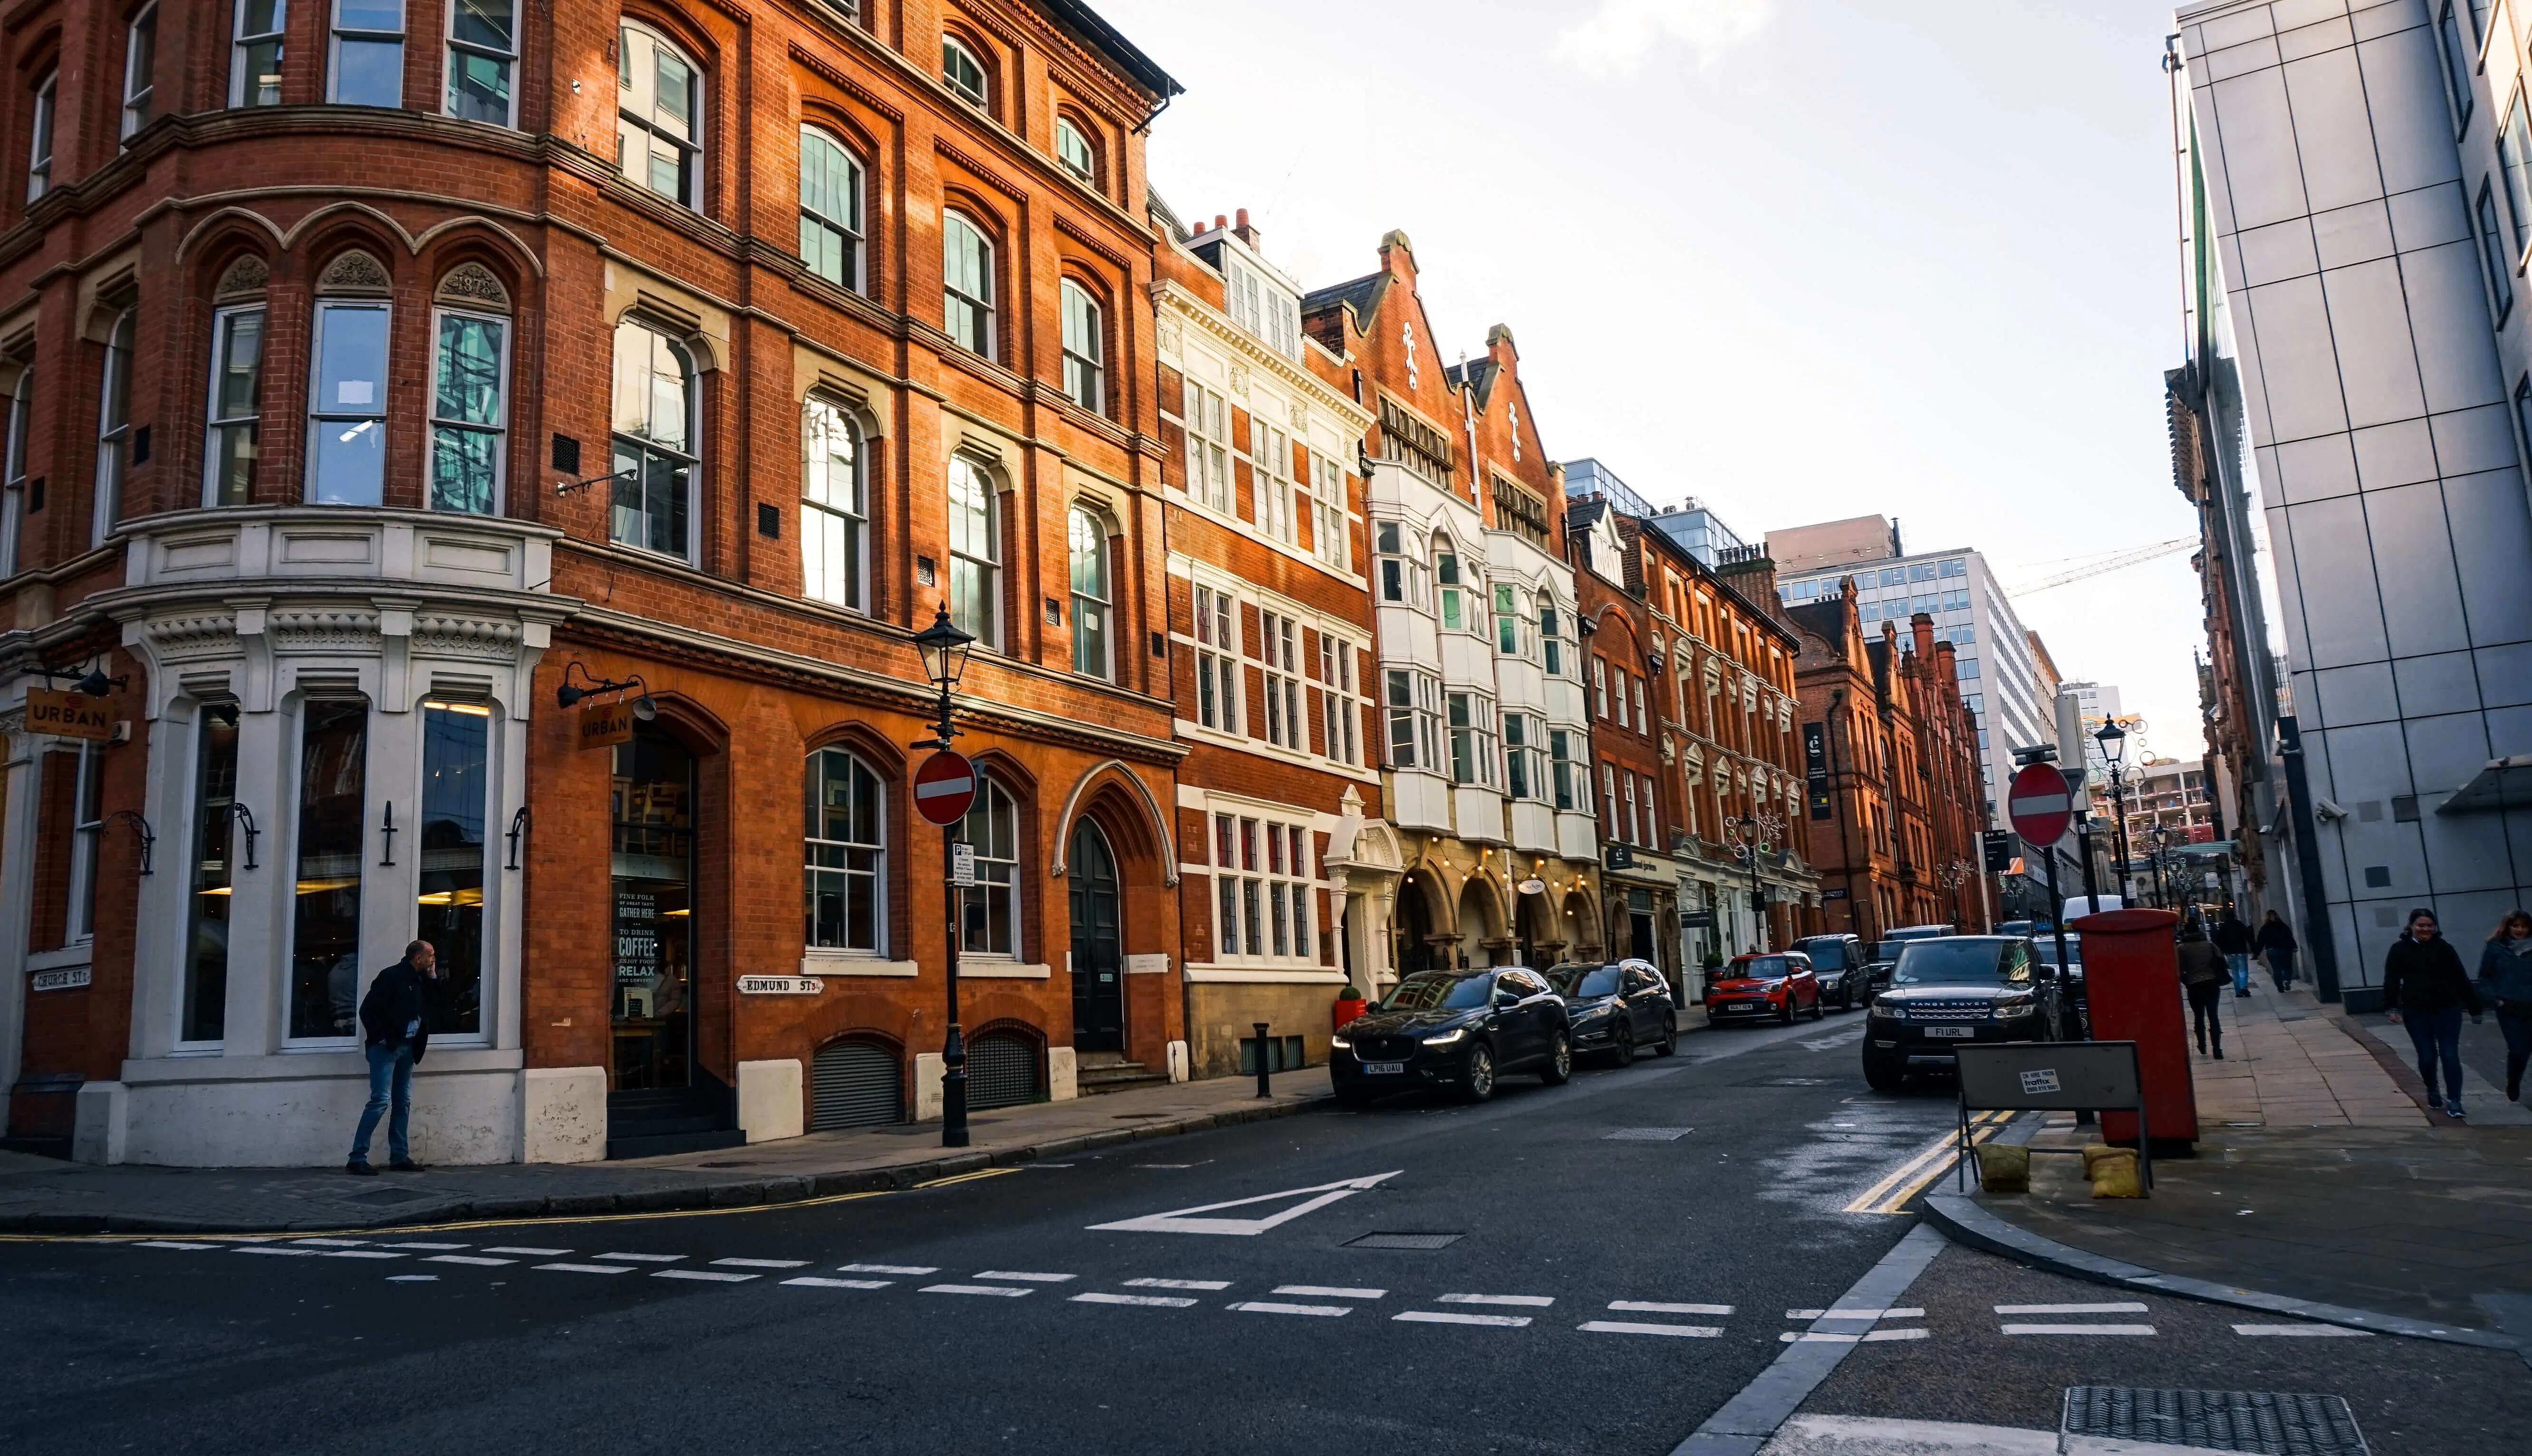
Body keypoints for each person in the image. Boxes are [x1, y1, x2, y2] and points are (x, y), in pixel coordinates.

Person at [2381, 909, 2484, 1120]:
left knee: (2450, 1054)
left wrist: (2474, 1008)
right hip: (2417, 1011)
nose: (2425, 930)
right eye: (2421, 925)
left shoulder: (2445, 949)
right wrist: (2392, 1007)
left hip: (2447, 1009)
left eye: (2430, 926)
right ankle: (2432, 1088)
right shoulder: (2399, 950)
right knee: (2427, 1056)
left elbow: (2460, 978)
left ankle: (2455, 1100)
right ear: (2411, 927)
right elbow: (2391, 980)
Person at [349, 939, 438, 1175]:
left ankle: (399, 1157)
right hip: (387, 1048)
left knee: (403, 1102)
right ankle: (357, 1158)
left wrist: (433, 978)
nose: (433, 960)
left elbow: (435, 1006)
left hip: (408, 1047)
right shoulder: (391, 976)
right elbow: (367, 1010)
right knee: (380, 1101)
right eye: (430, 955)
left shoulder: (421, 980)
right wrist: (382, 1038)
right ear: (418, 958)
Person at [2480, 910, 2532, 1104]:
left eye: (2524, 926)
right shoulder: (2495, 947)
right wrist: (2496, 998)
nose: (2520, 930)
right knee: (2519, 1051)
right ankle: (2514, 1081)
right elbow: (2485, 977)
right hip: (2509, 1008)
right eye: (2515, 925)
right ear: (2508, 927)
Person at [2177, 923, 2228, 1060]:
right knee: (2213, 1016)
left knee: (2198, 1016)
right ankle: (2217, 1049)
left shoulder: (2181, 948)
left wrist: (2186, 981)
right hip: (2211, 983)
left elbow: (2179, 968)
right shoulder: (2209, 945)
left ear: (2185, 932)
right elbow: (2222, 960)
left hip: (2194, 985)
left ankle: (2202, 1045)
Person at [2213, 911, 2254, 997]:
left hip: (2230, 953)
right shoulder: (2240, 925)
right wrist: (2254, 947)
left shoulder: (2223, 927)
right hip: (2241, 951)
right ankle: (2244, 988)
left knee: (2235, 972)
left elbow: (2218, 940)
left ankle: (2238, 992)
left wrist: (2222, 951)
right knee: (2243, 971)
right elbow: (2248, 936)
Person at [2257, 910, 2299, 991]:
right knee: (2288, 967)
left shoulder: (2265, 928)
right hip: (2285, 949)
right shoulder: (2283, 926)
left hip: (2272, 950)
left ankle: (2280, 986)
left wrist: (2257, 951)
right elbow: (2290, 937)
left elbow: (2261, 940)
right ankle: (2287, 980)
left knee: (2276, 969)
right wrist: (2294, 946)